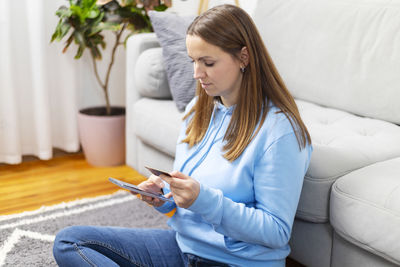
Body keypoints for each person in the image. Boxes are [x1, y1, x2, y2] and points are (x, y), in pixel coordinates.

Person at [53, 4, 312, 267]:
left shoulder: (279, 131)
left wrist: (205, 200)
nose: (197, 74)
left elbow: (276, 232)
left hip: (235, 262)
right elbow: (188, 203)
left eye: (208, 63)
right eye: (194, 61)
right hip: (183, 248)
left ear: (244, 57)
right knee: (70, 241)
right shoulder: (197, 111)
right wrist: (165, 196)